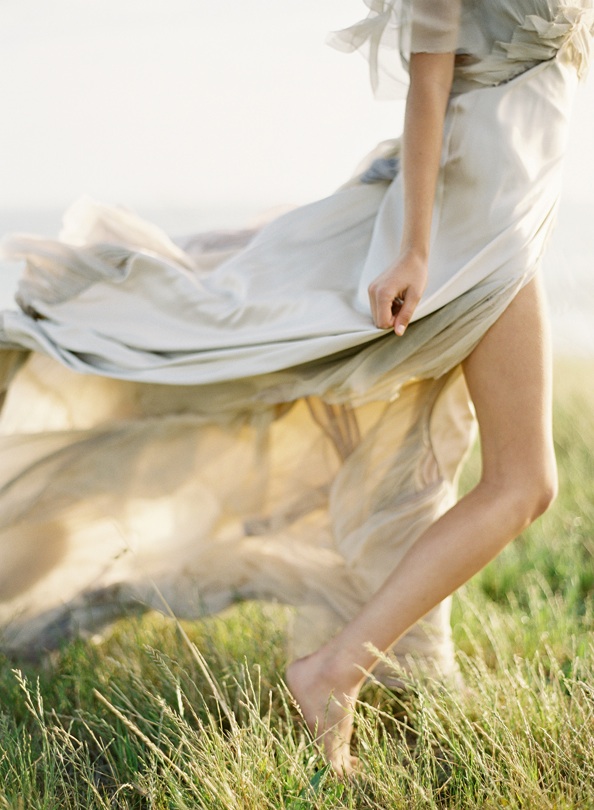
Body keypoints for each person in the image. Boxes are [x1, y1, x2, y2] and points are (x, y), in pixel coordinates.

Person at [1, 0, 593, 775]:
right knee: (524, 483)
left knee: (458, 464)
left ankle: (363, 667)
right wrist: (414, 249)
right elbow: (429, 80)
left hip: (509, 220)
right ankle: (333, 674)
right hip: (468, 221)